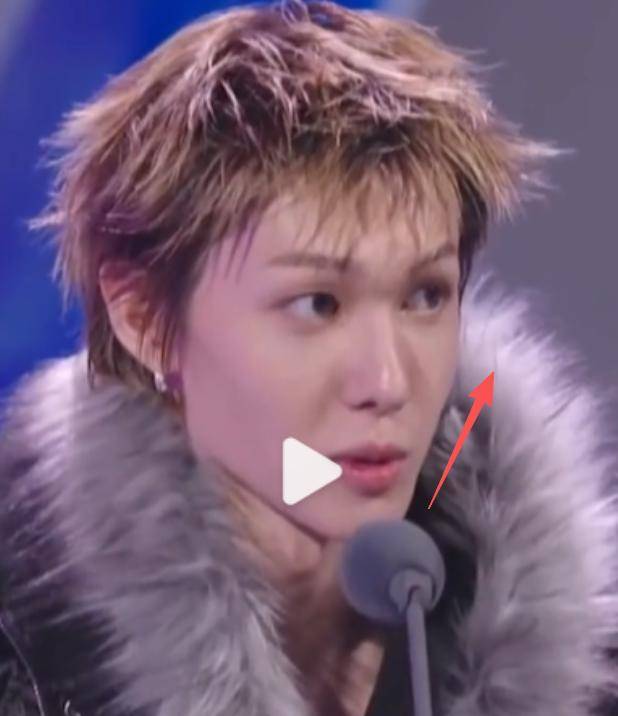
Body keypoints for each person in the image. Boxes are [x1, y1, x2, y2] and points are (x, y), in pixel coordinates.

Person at [0, 0, 616, 714]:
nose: (387, 382)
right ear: (143, 320)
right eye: (317, 305)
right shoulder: (23, 645)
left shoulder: (582, 672)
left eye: (425, 296)